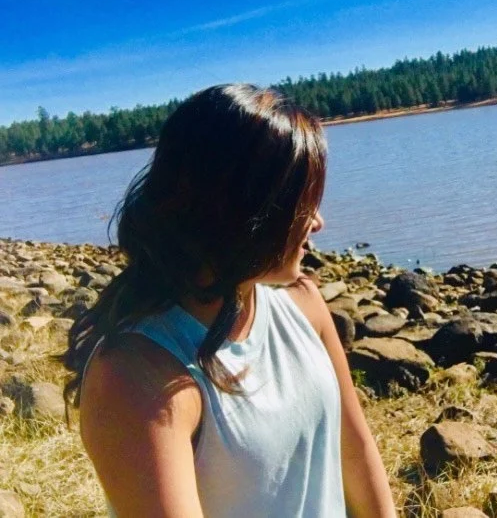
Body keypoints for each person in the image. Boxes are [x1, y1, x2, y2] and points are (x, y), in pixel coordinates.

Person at [62, 84, 397, 517]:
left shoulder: (305, 307)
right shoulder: (137, 376)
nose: (318, 221)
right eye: (303, 203)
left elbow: (355, 451)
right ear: (243, 209)